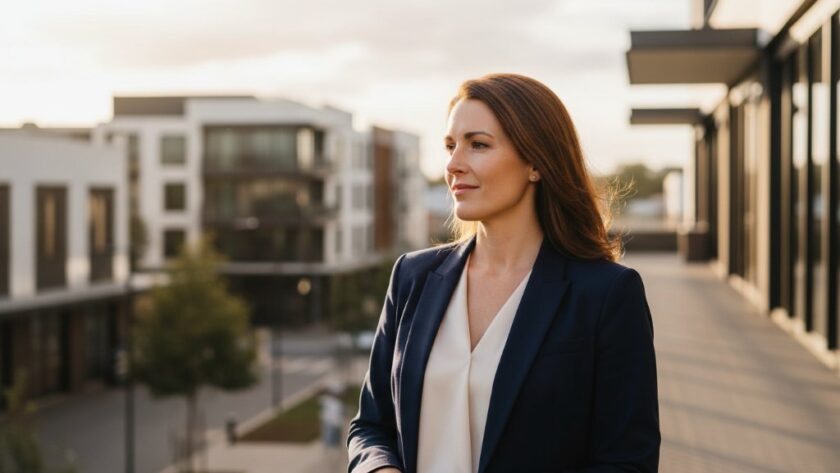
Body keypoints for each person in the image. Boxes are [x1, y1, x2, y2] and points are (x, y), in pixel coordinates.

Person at [347, 73, 660, 473]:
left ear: (535, 162)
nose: (453, 164)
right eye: (450, 146)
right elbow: (370, 426)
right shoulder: (412, 277)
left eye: (478, 145)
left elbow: (627, 462)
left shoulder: (607, 295)